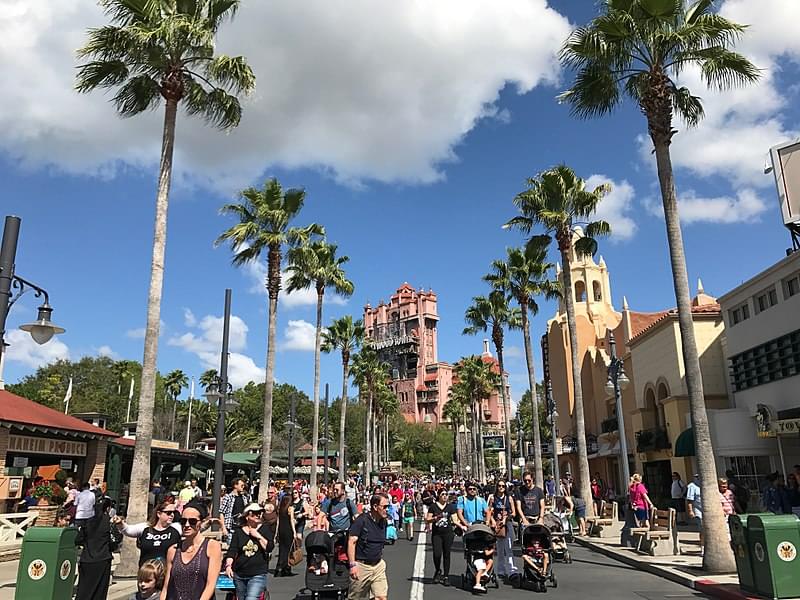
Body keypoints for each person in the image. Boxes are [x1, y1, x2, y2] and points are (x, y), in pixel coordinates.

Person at [162, 502, 222, 600]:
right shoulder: (173, 550)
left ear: (201, 522)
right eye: (183, 521)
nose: (187, 525)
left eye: (192, 521)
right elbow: (166, 587)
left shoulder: (212, 546)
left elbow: (210, 584)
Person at [224, 503, 274, 600]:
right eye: (255, 513)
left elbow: (269, 548)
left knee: (251, 598)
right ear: (247, 516)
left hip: (257, 573)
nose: (258, 515)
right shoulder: (238, 532)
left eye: (260, 512)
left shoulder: (265, 529)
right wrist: (228, 566)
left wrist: (258, 536)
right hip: (239, 574)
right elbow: (232, 551)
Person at [76, 496, 119, 600]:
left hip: (86, 560)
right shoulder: (108, 523)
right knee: (99, 592)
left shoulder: (86, 522)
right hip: (102, 560)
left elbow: (78, 540)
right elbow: (114, 542)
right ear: (108, 508)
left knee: (83, 590)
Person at [347, 493, 389, 600]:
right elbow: (351, 541)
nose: (387, 509)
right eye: (384, 507)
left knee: (380, 597)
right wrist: (352, 565)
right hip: (362, 567)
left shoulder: (383, 521)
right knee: (355, 598)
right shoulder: (361, 521)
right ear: (375, 507)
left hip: (378, 565)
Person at [116, 498, 182, 566]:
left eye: (174, 512)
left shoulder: (177, 527)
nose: (172, 515)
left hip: (168, 572)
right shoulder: (145, 527)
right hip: (146, 572)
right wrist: (120, 523)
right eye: (168, 513)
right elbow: (128, 530)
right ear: (159, 514)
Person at [426, 490, 457, 586]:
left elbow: (455, 519)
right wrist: (435, 518)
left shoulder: (450, 507)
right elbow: (427, 519)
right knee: (437, 553)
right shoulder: (433, 506)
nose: (444, 496)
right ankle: (437, 570)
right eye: (443, 494)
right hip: (437, 534)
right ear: (439, 496)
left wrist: (463, 526)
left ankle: (446, 576)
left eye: (446, 494)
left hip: (448, 534)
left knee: (447, 554)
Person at [487, 480, 517, 579]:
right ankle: (501, 570)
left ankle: (512, 570)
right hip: (497, 526)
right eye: (499, 486)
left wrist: (506, 518)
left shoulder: (509, 498)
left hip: (507, 525)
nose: (501, 487)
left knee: (508, 548)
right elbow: (489, 511)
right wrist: (492, 521)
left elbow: (514, 513)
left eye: (503, 486)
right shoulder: (492, 498)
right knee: (499, 549)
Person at [220, 478, 251, 544]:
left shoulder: (244, 498)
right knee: (232, 548)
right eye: (241, 485)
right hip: (231, 527)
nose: (243, 487)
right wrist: (223, 528)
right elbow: (222, 513)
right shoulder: (228, 497)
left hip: (242, 527)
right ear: (235, 486)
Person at [274, 493, 296, 577]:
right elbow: (291, 521)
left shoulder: (280, 509)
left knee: (282, 549)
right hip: (288, 530)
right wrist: (294, 532)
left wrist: (276, 532)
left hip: (281, 529)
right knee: (288, 550)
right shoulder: (290, 508)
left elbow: (278, 521)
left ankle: (278, 568)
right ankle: (286, 568)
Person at [686, 474, 703, 550]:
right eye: (697, 477)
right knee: (702, 529)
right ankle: (702, 546)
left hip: (708, 511)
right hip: (698, 511)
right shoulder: (692, 486)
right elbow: (689, 500)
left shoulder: (706, 484)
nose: (698, 479)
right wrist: (690, 511)